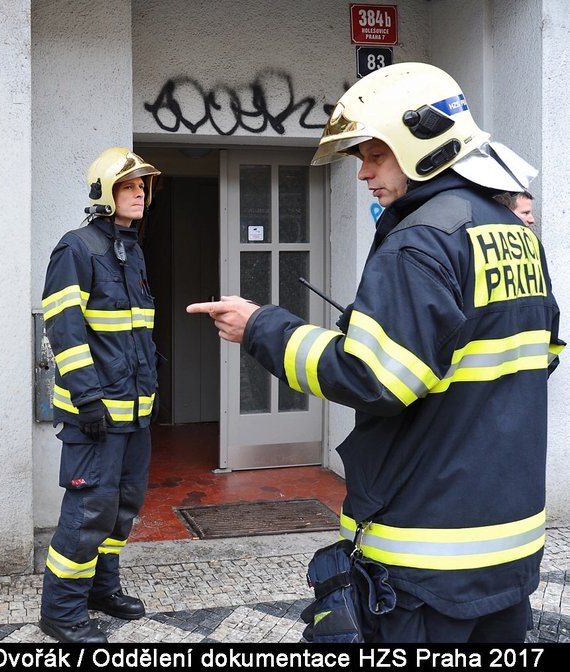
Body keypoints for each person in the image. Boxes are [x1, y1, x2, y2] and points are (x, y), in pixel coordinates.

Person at [188, 62, 563, 643]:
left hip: (428, 554)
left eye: (374, 155)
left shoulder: (419, 242)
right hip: (510, 546)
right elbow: (543, 354)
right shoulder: (511, 232)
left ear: (423, 146)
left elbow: (375, 380)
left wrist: (262, 326)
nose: (363, 173)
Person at [38, 147, 161, 643]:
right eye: (129, 185)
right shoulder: (77, 248)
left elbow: (136, 334)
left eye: (142, 186)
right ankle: (61, 611)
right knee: (88, 512)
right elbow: (64, 329)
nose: (139, 193)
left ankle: (99, 590)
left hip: (136, 412)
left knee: (121, 509)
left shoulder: (132, 251)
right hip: (97, 414)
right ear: (105, 192)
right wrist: (87, 399)